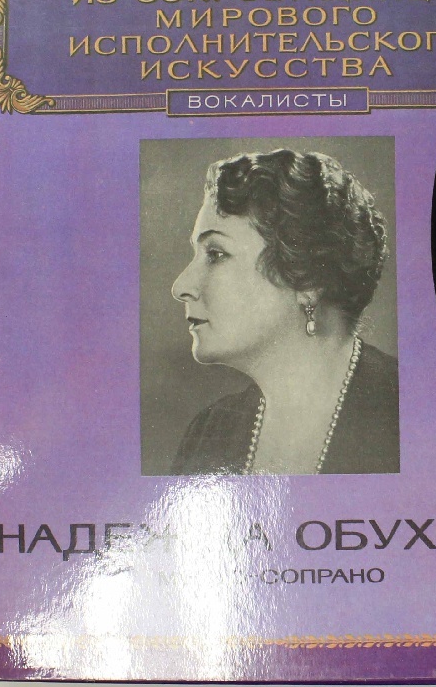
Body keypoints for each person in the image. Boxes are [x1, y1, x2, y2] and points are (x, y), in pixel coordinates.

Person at [169, 149, 398, 474]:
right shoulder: (209, 434)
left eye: (216, 254)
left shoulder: (406, 411)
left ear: (309, 279)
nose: (181, 286)